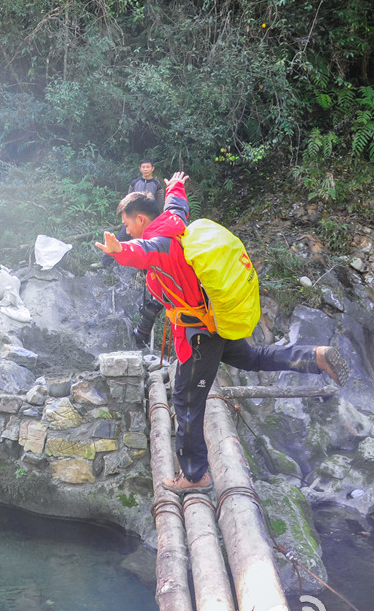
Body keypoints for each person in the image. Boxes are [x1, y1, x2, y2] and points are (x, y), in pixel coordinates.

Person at [95, 172, 348, 493]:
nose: (126, 230)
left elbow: (141, 252)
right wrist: (175, 185)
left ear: (141, 219)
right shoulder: (172, 221)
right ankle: (314, 357)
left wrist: (120, 251)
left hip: (198, 336)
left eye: (128, 225)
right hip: (214, 321)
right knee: (252, 358)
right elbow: (177, 205)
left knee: (187, 402)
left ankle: (194, 474)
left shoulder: (158, 243)